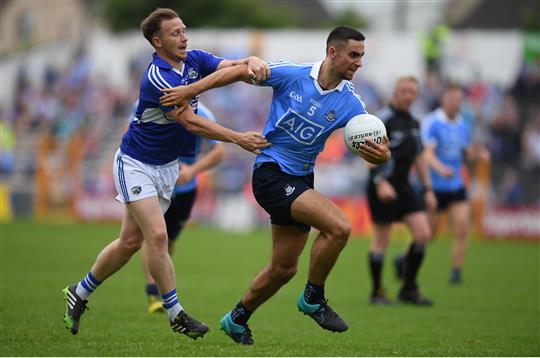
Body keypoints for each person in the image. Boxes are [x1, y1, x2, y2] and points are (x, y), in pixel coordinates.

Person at [160, 26, 391, 345]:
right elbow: (241, 72)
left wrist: (382, 154)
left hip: (300, 179)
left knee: (283, 268)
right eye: (354, 55)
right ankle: (314, 298)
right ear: (332, 52)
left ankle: (236, 319)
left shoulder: (352, 105)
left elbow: (376, 146)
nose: (359, 62)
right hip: (270, 172)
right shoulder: (291, 74)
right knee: (339, 227)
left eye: (362, 56)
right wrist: (191, 90)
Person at [62, 8, 270, 339]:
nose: (184, 36)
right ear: (157, 42)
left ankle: (80, 291)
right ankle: (175, 312)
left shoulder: (195, 59)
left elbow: (230, 67)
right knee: (158, 236)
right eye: (175, 33)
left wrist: (252, 60)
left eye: (184, 30)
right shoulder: (157, 77)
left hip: (166, 167)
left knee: (129, 242)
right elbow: (189, 121)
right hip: (135, 163)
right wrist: (237, 137)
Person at [143, 102, 226, 313]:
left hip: (184, 188)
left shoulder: (204, 113)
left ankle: (162, 290)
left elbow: (219, 151)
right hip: (154, 184)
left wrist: (193, 170)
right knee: (153, 237)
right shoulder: (147, 103)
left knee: (167, 241)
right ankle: (153, 292)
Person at [365, 76, 436, 306]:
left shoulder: (415, 123)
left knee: (423, 234)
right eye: (404, 90)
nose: (408, 95)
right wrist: (379, 182)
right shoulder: (382, 120)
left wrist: (427, 189)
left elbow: (419, 158)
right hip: (382, 183)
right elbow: (367, 154)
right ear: (395, 93)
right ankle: (377, 292)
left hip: (405, 186)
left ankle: (409, 289)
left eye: (412, 91)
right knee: (381, 240)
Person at [421, 84, 489, 284]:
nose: (456, 103)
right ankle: (405, 258)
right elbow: (427, 153)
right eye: (452, 99)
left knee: (462, 228)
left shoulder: (463, 126)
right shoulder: (433, 122)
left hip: (457, 185)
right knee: (429, 234)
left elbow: (466, 153)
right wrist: (440, 168)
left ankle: (456, 272)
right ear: (444, 99)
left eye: (459, 100)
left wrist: (478, 153)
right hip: (435, 187)